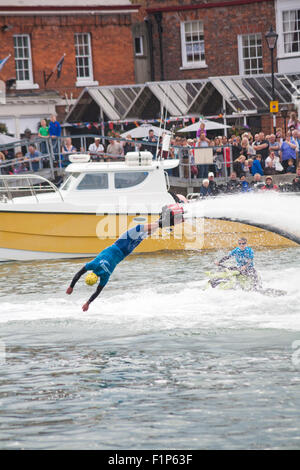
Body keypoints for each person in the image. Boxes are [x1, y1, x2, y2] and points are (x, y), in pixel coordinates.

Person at [66, 205, 184, 311]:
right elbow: (79, 273)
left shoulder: (105, 277)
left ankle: (166, 220)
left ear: (96, 279)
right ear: (91, 274)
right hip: (120, 243)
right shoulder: (93, 264)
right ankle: (165, 219)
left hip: (126, 250)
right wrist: (71, 286)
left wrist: (88, 303)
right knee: (141, 228)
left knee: (144, 233)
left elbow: (97, 291)